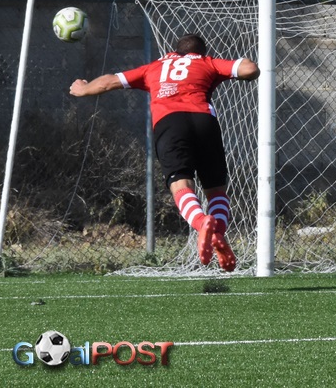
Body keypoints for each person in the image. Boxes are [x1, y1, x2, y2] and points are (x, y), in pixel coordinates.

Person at [69, 33, 259, 272]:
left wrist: (83, 89)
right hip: (204, 121)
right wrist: (241, 72)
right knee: (216, 191)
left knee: (181, 184)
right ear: (201, 52)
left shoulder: (154, 67)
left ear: (174, 51)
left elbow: (109, 82)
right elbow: (249, 69)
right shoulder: (207, 62)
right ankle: (218, 234)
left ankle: (202, 223)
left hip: (170, 123)